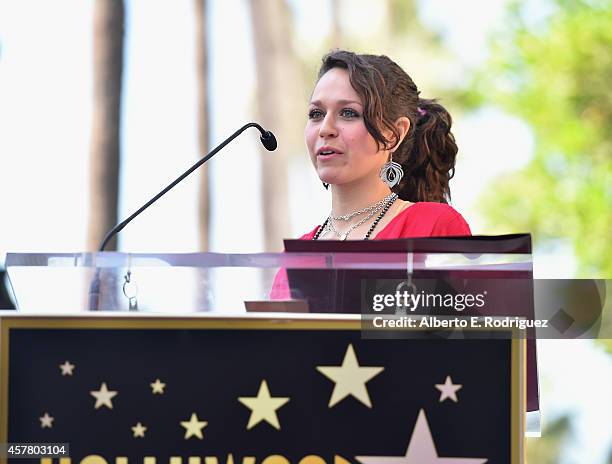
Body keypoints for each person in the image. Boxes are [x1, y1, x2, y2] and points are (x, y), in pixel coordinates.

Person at [270, 50, 470, 298]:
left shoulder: (434, 226)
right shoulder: (294, 258)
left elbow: (459, 332)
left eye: (348, 113)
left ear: (393, 134)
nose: (325, 129)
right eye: (316, 114)